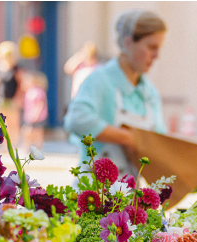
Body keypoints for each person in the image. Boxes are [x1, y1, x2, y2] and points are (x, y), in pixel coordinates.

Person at [63, 10, 167, 173]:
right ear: (128, 42)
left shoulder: (150, 93)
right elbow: (76, 120)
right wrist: (128, 138)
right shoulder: (100, 80)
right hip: (94, 191)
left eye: (159, 48)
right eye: (151, 47)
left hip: (132, 194)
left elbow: (160, 140)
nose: (156, 55)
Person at [0, 41, 23, 145]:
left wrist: (19, 98)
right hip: (1, 99)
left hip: (12, 100)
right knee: (2, 123)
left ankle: (13, 143)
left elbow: (21, 84)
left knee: (13, 123)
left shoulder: (16, 70)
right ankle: (4, 145)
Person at [21, 71, 49, 152]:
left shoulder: (37, 91)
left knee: (36, 132)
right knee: (28, 131)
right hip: (29, 116)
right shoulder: (28, 92)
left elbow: (40, 104)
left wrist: (36, 114)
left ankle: (38, 147)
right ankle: (27, 146)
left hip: (37, 117)